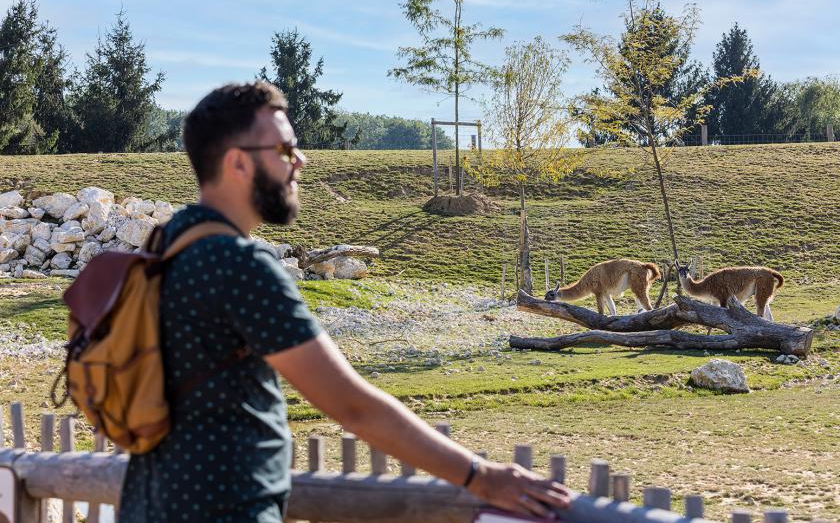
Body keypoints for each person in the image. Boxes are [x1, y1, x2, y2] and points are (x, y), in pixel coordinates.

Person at [119, 81, 571, 522]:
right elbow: (351, 405)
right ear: (237, 163)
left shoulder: (166, 247)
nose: (301, 161)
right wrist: (483, 477)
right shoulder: (240, 266)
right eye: (284, 150)